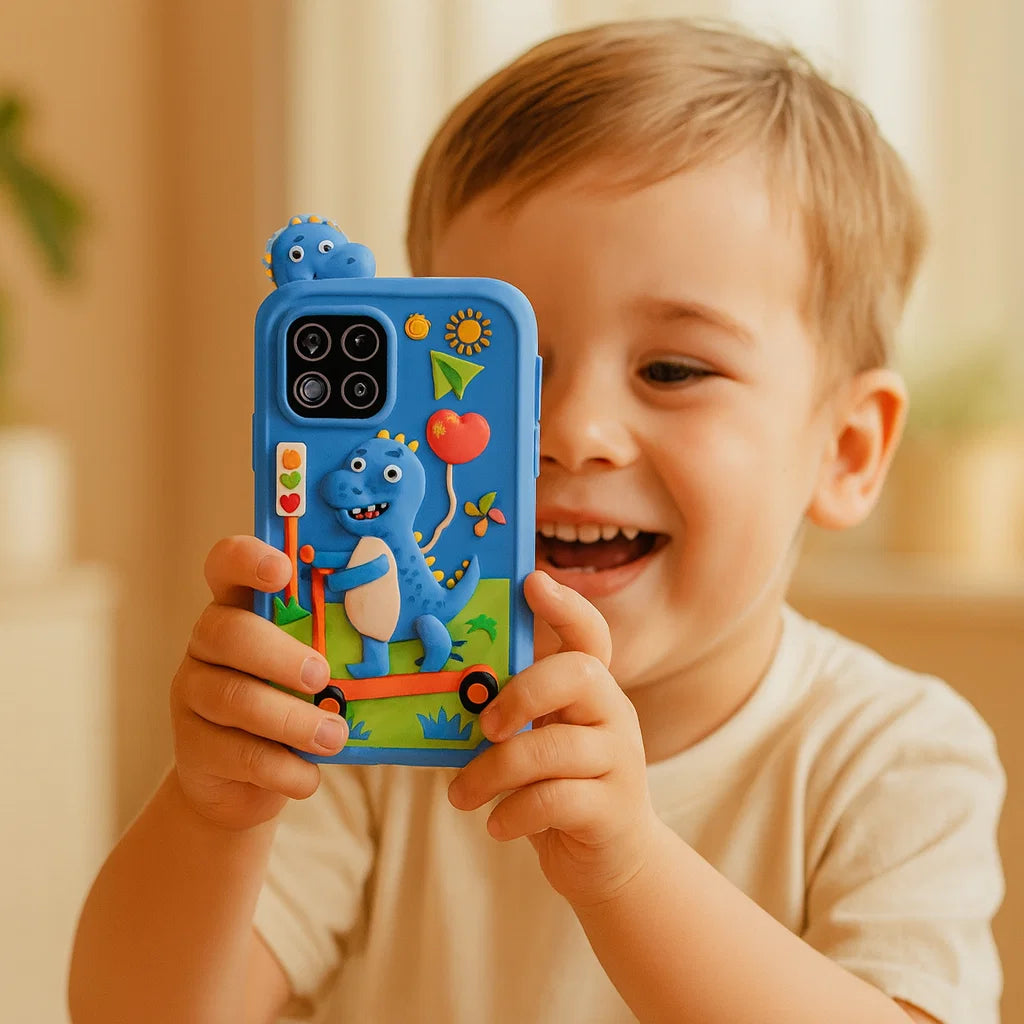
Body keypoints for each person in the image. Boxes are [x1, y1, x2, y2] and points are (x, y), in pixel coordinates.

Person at [69, 19, 1004, 1024]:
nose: (573, 432)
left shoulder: (892, 753)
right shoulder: (376, 711)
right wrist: (213, 811)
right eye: (516, 365)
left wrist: (630, 869)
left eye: (672, 369)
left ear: (847, 452)